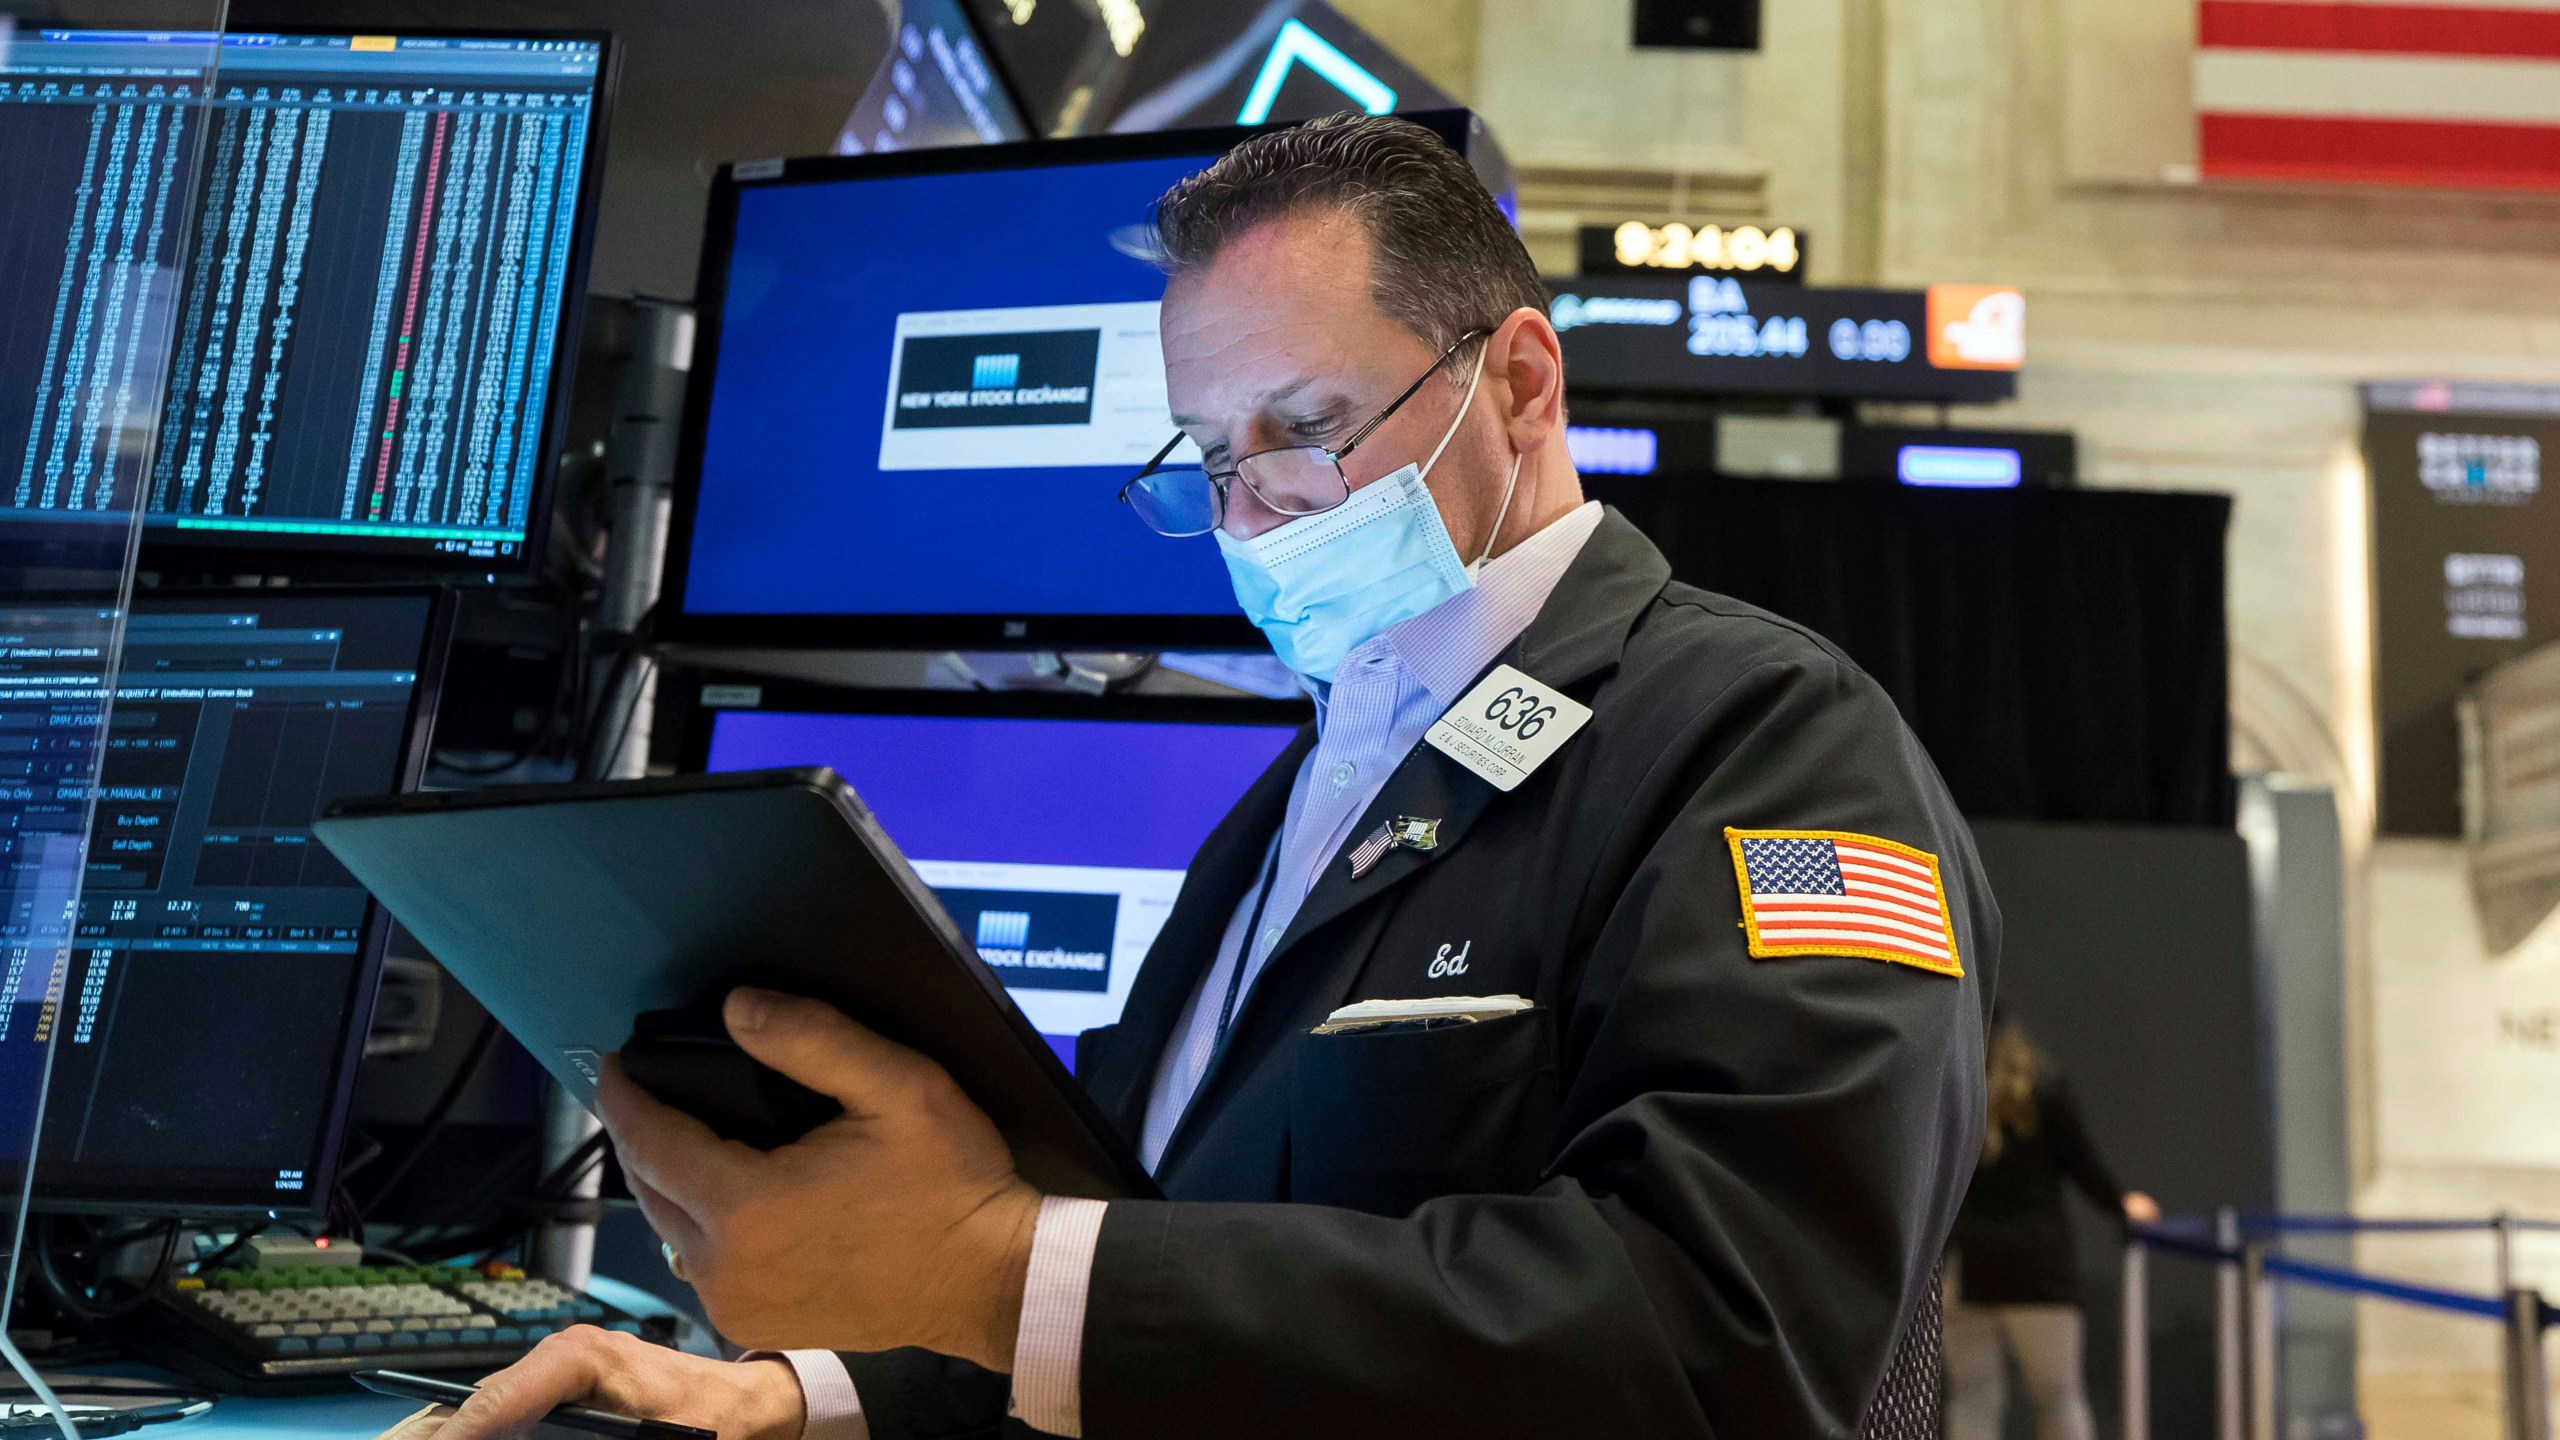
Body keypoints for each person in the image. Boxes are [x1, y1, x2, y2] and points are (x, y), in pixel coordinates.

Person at [432, 113, 1996, 1440]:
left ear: (1521, 383)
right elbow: (1162, 1287)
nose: (1256, 516)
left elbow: (1736, 1342)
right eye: (1212, 456)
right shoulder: (1305, 789)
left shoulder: (1770, 742)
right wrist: (801, 1395)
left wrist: (987, 1269)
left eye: (1311, 430)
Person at [1944, 1012, 2161, 1440]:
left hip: (1969, 1264)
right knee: (2059, 1400)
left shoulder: (1953, 1089)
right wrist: (2120, 1204)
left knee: (1973, 1402)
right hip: (2038, 1267)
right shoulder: (2044, 1088)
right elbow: (2082, 1163)